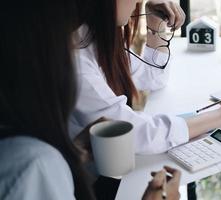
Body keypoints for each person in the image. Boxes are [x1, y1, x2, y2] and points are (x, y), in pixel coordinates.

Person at [0, 1, 180, 199]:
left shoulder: (88, 41)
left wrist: (76, 155)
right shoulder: (34, 166)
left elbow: (153, 76)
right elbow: (142, 132)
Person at [71, 0, 221, 154]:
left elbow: (153, 77)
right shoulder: (76, 62)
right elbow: (134, 134)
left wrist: (155, 24)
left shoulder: (90, 36)